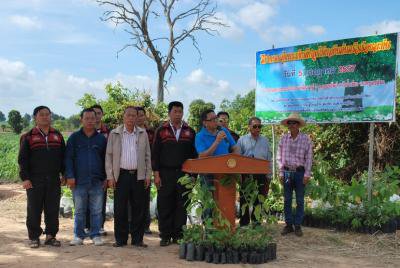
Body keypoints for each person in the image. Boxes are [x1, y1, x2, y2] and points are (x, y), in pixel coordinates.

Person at [18, 106, 65, 248]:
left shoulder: (57, 135)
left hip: (53, 179)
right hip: (34, 179)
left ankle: (51, 236)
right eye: (41, 115)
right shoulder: (28, 137)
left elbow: (63, 157)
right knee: (34, 209)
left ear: (51, 117)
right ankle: (34, 237)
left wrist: (64, 174)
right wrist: (25, 178)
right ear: (35, 118)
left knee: (52, 208)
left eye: (47, 114)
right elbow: (22, 160)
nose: (45, 117)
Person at [152, 101, 197, 246]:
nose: (178, 114)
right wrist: (156, 174)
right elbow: (155, 154)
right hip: (166, 173)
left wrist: (192, 176)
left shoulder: (189, 131)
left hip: (184, 174)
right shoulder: (161, 130)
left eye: (180, 111)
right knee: (164, 204)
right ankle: (165, 235)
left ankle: (178, 235)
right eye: (175, 111)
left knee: (182, 204)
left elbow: (194, 155)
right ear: (169, 113)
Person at [106, 106, 152, 248]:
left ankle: (138, 239)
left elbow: (147, 156)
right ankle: (120, 239)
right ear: (124, 117)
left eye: (134, 115)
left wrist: (147, 175)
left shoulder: (143, 133)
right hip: (121, 175)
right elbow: (108, 156)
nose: (132, 118)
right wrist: (110, 176)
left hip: (138, 176)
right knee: (120, 209)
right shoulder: (115, 133)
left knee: (139, 208)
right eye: (129, 115)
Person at [65, 108, 107, 246]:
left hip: (97, 181)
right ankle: (78, 235)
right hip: (78, 181)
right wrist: (69, 176)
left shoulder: (101, 139)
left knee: (96, 210)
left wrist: (106, 178)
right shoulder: (74, 138)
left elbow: (106, 159)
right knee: (79, 210)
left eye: (92, 118)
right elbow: (68, 159)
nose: (90, 121)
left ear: (96, 119)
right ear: (81, 119)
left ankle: (95, 235)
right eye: (87, 118)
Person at [277, 112, 313, 237]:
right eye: (289, 123)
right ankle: (288, 225)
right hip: (286, 172)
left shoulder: (305, 139)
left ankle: (297, 225)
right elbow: (279, 157)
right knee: (287, 200)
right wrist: (281, 172)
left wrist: (307, 174)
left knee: (299, 200)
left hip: (299, 173)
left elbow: (309, 158)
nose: (291, 125)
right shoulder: (283, 138)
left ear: (298, 125)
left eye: (294, 123)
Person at [237, 117, 272, 226]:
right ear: (249, 127)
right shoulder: (242, 140)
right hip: (246, 174)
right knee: (245, 199)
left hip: (261, 174)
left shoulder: (265, 141)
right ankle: (244, 223)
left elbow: (269, 158)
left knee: (259, 199)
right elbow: (238, 157)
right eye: (255, 126)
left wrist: (269, 175)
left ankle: (256, 223)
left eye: (259, 126)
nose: (257, 128)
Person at [83, 104, 110, 236]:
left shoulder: (108, 132)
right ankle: (87, 226)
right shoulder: (82, 133)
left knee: (101, 201)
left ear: (101, 115)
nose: (96, 116)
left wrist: (108, 175)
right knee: (86, 201)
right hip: (85, 174)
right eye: (94, 114)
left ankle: (99, 226)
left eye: (99, 113)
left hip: (101, 173)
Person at [135, 106, 155, 235]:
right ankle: (132, 225)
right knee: (131, 200)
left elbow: (154, 152)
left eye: (141, 115)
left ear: (145, 117)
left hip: (146, 169)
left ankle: (145, 225)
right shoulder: (126, 132)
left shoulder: (151, 133)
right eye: (136, 115)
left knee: (144, 198)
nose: (138, 117)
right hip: (129, 169)